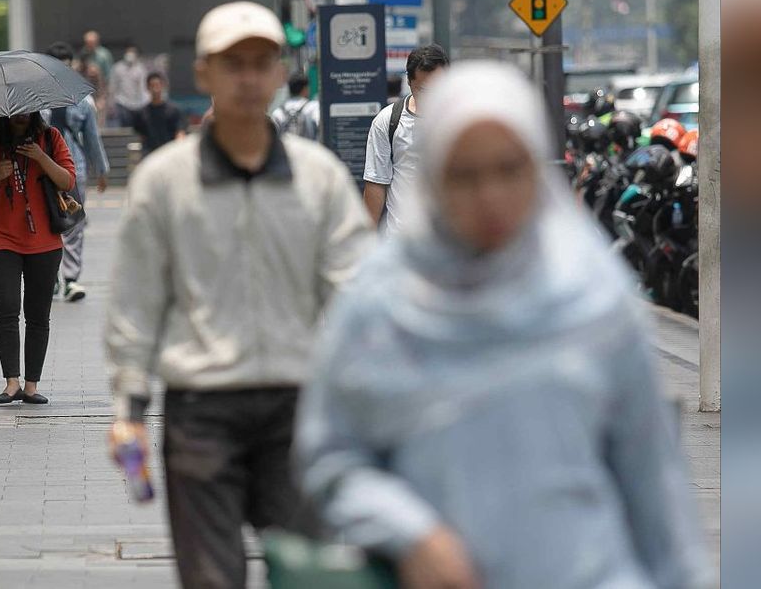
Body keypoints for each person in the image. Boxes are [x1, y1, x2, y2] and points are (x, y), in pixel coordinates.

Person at [295, 62, 712, 589]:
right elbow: (332, 464)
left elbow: (654, 490)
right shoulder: (382, 308)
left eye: (509, 169)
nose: (488, 194)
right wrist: (411, 531)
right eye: (464, 175)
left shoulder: (593, 299)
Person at [105, 1, 373, 589]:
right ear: (203, 75)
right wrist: (128, 408)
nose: (249, 78)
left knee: (309, 577)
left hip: (298, 409)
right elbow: (136, 302)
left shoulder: (319, 178)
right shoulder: (164, 182)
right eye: (233, 65)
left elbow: (358, 295)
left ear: (281, 72)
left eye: (262, 63)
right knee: (211, 580)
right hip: (202, 410)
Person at [0, 112, 76, 405]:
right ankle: (11, 383)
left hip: (45, 241)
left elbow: (67, 181)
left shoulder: (51, 138)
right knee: (6, 308)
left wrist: (41, 157)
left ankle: (31, 385)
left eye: (27, 109)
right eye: (15, 111)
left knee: (38, 314)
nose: (21, 115)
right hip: (2, 239)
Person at [42, 42, 112, 302]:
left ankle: (71, 279)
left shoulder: (83, 99)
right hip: (42, 169)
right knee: (45, 224)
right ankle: (50, 278)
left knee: (73, 222)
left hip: (75, 169)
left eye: (67, 64)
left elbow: (92, 138)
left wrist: (101, 170)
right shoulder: (36, 98)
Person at [362, 44, 450, 231]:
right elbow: (376, 183)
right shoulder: (388, 121)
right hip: (401, 238)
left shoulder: (462, 121)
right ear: (409, 83)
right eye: (424, 90)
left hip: (452, 244)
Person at [129, 72, 186, 156]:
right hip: (150, 157)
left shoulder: (174, 110)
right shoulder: (141, 113)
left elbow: (180, 133)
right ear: (147, 88)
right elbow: (140, 136)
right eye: (152, 85)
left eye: (158, 85)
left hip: (169, 155)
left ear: (163, 86)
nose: (156, 89)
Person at [108, 44, 149, 127]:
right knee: (124, 126)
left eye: (132, 52)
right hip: (122, 102)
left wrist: (146, 102)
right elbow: (112, 86)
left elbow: (144, 87)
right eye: (128, 52)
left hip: (137, 104)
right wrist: (111, 103)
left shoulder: (141, 69)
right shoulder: (117, 68)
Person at [270, 71, 319, 140]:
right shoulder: (313, 107)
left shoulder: (278, 112)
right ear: (305, 89)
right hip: (308, 148)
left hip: (285, 149)